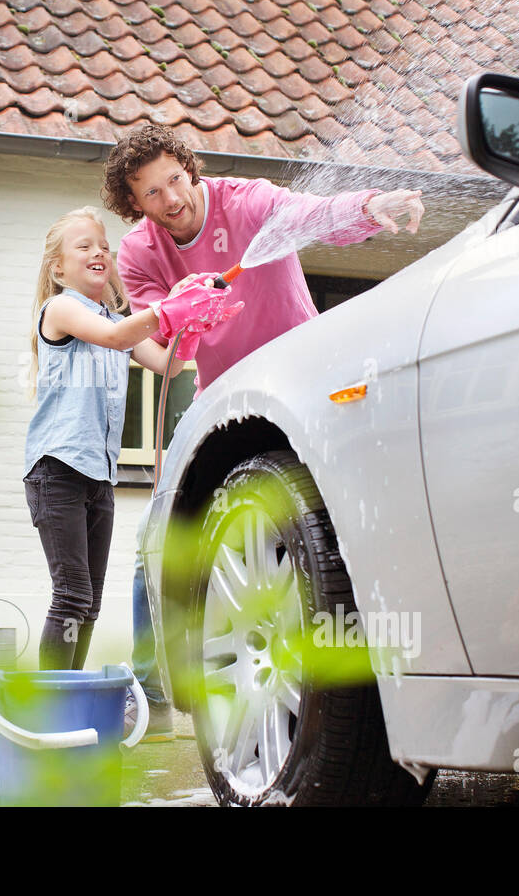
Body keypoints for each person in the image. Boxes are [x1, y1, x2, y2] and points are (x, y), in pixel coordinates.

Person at [101, 124, 424, 738]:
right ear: (133, 204)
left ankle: (371, 661)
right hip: (222, 396)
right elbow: (156, 338)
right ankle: (152, 685)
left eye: (174, 179)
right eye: (151, 193)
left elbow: (312, 213)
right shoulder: (140, 253)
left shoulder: (243, 201)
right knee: (158, 540)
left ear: (189, 169)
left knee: (332, 516)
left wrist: (372, 207)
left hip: (305, 378)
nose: (171, 199)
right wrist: (178, 316)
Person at [23, 206, 243, 670]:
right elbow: (116, 336)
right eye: (84, 246)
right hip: (57, 471)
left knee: (90, 603)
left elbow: (169, 364)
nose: (99, 252)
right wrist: (169, 307)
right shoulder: (62, 307)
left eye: (104, 245)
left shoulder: (114, 316)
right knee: (71, 596)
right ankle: (47, 707)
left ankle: (69, 695)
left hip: (98, 477)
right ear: (58, 267)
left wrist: (192, 323)